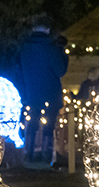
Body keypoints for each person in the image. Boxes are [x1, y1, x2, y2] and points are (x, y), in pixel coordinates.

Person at [18, 14, 68, 161]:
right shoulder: (52, 48)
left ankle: (28, 155)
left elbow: (18, 70)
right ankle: (46, 157)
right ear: (47, 29)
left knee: (31, 123)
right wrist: (62, 53)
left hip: (31, 93)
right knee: (49, 126)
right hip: (50, 93)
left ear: (33, 28)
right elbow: (61, 70)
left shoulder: (24, 47)